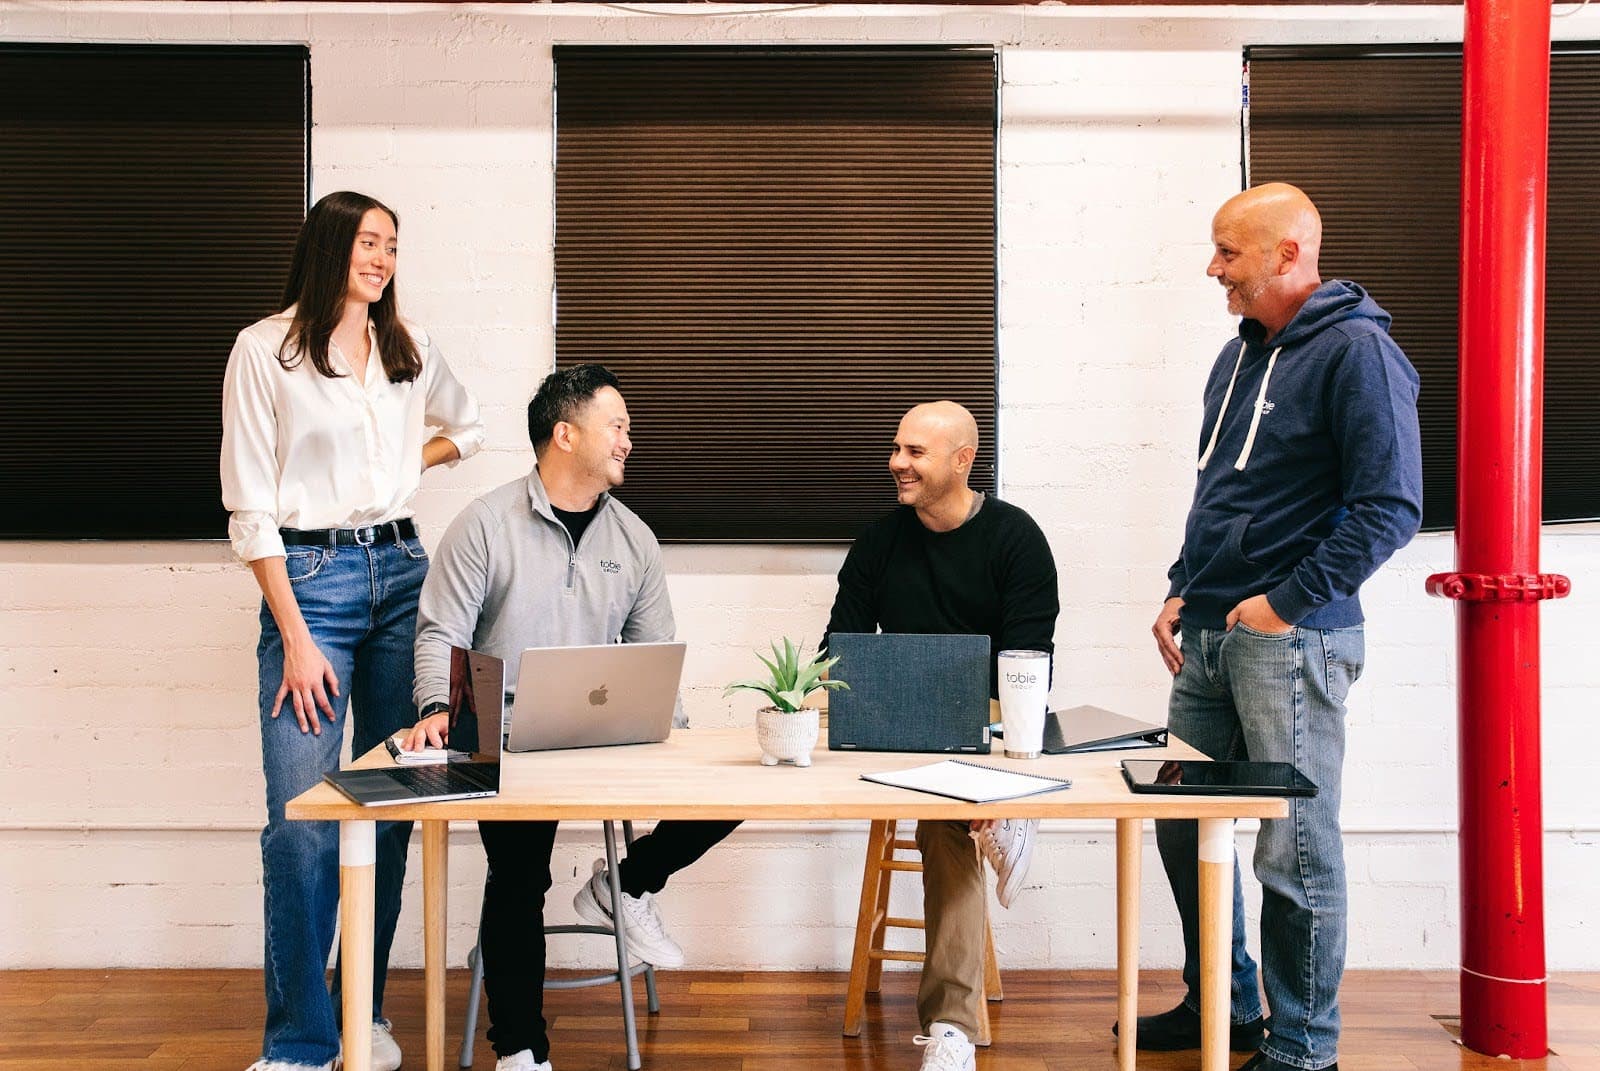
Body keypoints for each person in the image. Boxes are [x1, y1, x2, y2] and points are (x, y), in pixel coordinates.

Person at [1136, 183, 1423, 1071]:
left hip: (1289, 640)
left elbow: (1390, 507)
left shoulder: (1359, 353)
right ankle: (1224, 1004)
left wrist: (1284, 603)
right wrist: (1186, 584)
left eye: (1228, 252)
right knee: (1184, 824)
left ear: (1286, 255)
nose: (1211, 268)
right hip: (1213, 635)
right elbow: (1222, 488)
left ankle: (1304, 1048)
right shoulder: (1239, 359)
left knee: (1293, 847)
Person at [404, 363, 738, 1071]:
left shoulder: (635, 538)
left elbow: (654, 651)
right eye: (616, 424)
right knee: (521, 877)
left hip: (608, 731)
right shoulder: (486, 524)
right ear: (565, 432)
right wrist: (437, 705)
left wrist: (676, 741)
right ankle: (520, 1047)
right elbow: (441, 631)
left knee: (732, 790)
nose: (628, 439)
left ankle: (625, 883)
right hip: (508, 742)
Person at [221, 190, 485, 1071]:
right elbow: (250, 507)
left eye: (393, 246)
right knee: (301, 817)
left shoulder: (407, 351)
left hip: (404, 575)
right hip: (310, 584)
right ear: (331, 245)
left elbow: (471, 428)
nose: (382, 258)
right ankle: (298, 1041)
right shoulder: (267, 350)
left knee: (391, 806)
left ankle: (359, 1013)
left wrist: (410, 460)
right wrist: (294, 635)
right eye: (369, 241)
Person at [822, 401, 1059, 1071]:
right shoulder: (878, 541)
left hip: (986, 735)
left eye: (914, 451)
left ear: (962, 460)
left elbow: (1029, 668)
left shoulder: (1016, 539)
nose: (897, 462)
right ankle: (1000, 820)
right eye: (896, 448)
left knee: (943, 820)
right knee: (945, 811)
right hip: (898, 734)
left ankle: (951, 1030)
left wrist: (983, 744)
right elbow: (836, 652)